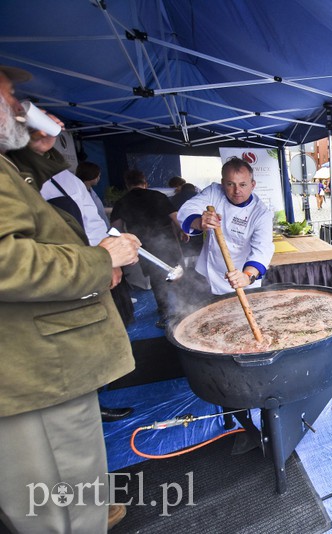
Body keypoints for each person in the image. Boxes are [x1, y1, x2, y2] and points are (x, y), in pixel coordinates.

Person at [0, 64, 141, 532]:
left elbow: (26, 194)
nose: (20, 105)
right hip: (34, 369)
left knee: (76, 487)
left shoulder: (10, 162)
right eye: (10, 93)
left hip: (43, 366)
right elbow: (8, 261)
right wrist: (101, 261)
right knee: (59, 504)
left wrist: (36, 150)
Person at [178, 157, 274, 295]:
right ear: (223, 183)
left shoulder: (261, 213)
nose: (237, 190)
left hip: (241, 278)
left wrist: (247, 276)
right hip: (208, 273)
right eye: (230, 184)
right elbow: (187, 210)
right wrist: (199, 222)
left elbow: (262, 250)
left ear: (253, 185)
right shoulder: (213, 192)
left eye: (243, 185)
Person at [111, 170, 186, 327]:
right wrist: (183, 231)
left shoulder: (121, 202)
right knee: (177, 273)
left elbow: (116, 230)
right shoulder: (158, 196)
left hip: (144, 247)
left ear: (127, 184)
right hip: (167, 242)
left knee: (156, 279)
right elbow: (175, 217)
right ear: (145, 183)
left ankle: (165, 313)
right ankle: (184, 309)